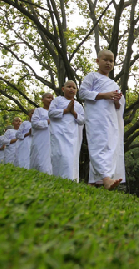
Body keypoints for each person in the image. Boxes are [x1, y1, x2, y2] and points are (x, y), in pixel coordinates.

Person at [79, 49, 125, 190]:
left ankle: (93, 182)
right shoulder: (92, 77)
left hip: (110, 120)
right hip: (96, 118)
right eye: (105, 60)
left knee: (109, 147)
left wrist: (117, 100)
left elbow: (118, 106)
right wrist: (104, 95)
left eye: (111, 61)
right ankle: (106, 179)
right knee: (97, 146)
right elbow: (82, 93)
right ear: (97, 61)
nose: (108, 63)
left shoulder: (114, 84)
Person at [49, 80, 85, 182]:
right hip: (58, 135)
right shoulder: (57, 101)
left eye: (74, 88)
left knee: (70, 159)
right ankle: (57, 180)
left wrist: (73, 112)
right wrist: (65, 110)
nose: (71, 89)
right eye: (69, 86)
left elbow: (82, 120)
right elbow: (51, 113)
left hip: (73, 137)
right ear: (63, 89)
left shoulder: (78, 105)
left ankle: (70, 181)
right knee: (60, 157)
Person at [30, 93, 54, 174]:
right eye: (48, 98)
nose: (50, 100)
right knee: (40, 160)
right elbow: (34, 123)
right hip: (41, 140)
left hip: (53, 140)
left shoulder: (55, 112)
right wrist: (47, 121)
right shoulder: (38, 111)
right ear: (42, 100)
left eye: (52, 98)